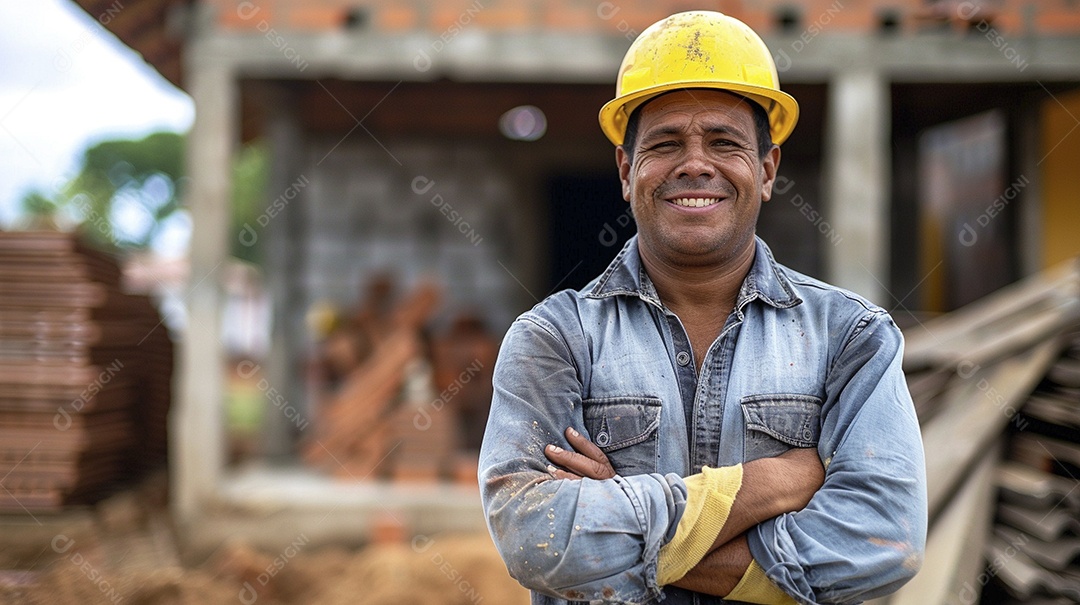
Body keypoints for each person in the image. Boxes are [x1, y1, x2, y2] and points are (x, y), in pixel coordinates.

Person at [479, 10, 927, 605]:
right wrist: (765, 485)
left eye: (724, 142)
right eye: (665, 143)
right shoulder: (553, 339)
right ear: (626, 171)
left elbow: (882, 543)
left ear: (766, 171)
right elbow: (534, 535)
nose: (695, 163)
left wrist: (620, 503)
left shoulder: (850, 337)